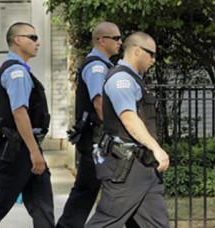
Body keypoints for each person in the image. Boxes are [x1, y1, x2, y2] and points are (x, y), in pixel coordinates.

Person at [0, 22, 54, 228]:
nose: (38, 42)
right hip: (17, 151)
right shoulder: (17, 72)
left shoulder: (20, 70)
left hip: (23, 146)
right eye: (32, 37)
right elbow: (19, 112)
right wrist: (34, 152)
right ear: (18, 40)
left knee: (42, 206)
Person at [85, 32, 170, 228]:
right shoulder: (121, 79)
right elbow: (129, 118)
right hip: (126, 168)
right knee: (106, 222)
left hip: (144, 167)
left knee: (156, 224)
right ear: (137, 51)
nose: (154, 60)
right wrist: (156, 148)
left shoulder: (134, 79)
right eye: (151, 54)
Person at [58, 22, 122, 228]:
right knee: (85, 190)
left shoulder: (105, 65)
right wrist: (116, 130)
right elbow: (99, 102)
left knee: (100, 189)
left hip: (98, 138)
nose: (120, 42)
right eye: (116, 38)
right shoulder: (96, 66)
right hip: (96, 138)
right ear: (102, 40)